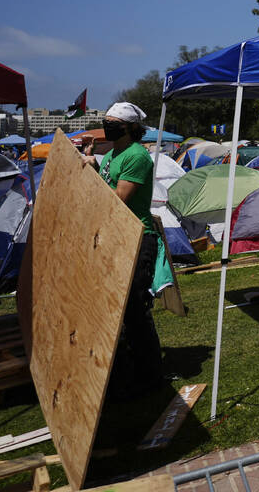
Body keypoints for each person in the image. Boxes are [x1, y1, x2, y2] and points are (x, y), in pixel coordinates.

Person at [81, 102, 164, 395]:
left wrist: (92, 168)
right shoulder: (112, 155)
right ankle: (128, 369)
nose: (108, 126)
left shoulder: (137, 156)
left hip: (137, 239)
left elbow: (118, 199)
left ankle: (151, 376)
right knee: (119, 310)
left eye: (113, 122)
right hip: (116, 238)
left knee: (134, 309)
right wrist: (93, 164)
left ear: (130, 127)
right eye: (106, 121)